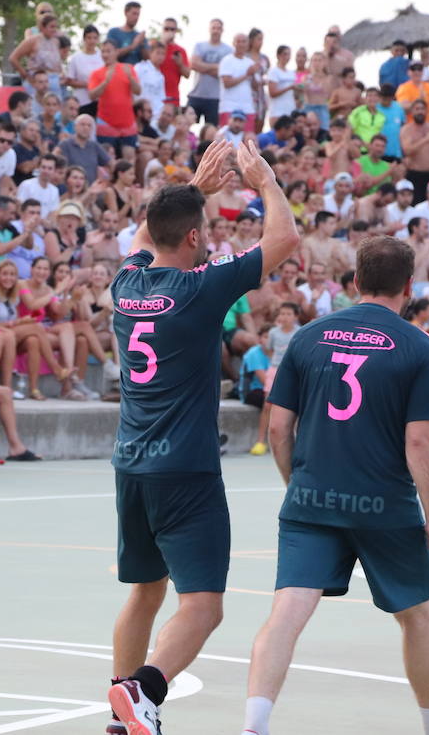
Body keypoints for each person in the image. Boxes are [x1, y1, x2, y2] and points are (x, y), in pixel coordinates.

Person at [242, 236, 429, 735]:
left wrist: (298, 486)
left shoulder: (308, 335)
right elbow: (421, 439)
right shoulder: (418, 345)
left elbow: (276, 427)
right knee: (417, 617)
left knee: (286, 612)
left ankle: (254, 726)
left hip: (312, 499)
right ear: (409, 287)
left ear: (355, 282)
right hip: (384, 507)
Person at [105, 138, 298, 735]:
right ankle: (145, 691)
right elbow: (283, 241)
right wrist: (263, 180)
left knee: (143, 593)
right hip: (184, 469)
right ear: (192, 238)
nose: (209, 238)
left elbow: (148, 235)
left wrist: (193, 192)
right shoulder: (199, 288)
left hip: (131, 464)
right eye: (204, 228)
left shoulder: (126, 284)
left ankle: (121, 709)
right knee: (204, 607)